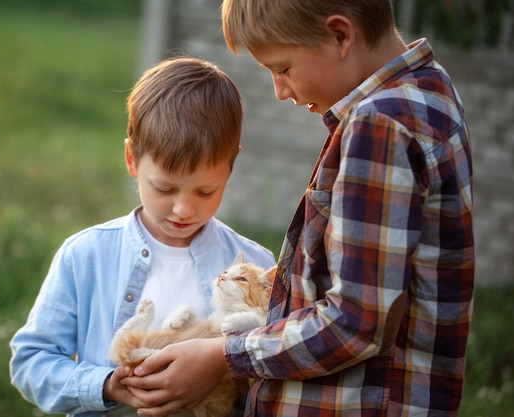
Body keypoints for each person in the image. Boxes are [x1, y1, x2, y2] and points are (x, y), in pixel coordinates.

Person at [120, 0, 475, 416]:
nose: (280, 90)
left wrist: (224, 354)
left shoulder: (379, 126)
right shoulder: (431, 91)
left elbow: (356, 322)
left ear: (340, 35)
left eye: (283, 68)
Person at [9, 56, 276, 417]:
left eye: (205, 191)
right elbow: (31, 362)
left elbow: (274, 364)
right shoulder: (85, 255)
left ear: (231, 166)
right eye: (165, 188)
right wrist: (105, 385)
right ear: (131, 159)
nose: (184, 208)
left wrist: (220, 365)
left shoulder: (255, 264)